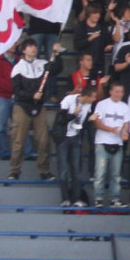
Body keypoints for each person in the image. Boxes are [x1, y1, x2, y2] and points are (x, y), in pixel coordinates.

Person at [9, 39, 63, 181]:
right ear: (24, 50)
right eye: (30, 46)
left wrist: (57, 54)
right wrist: (31, 95)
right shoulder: (17, 68)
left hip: (39, 107)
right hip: (22, 107)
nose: (34, 48)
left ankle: (44, 170)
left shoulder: (43, 64)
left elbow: (57, 69)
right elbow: (17, 91)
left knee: (44, 141)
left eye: (34, 46)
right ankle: (14, 171)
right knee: (18, 141)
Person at [54, 85, 96, 207]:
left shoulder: (88, 105)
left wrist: (90, 119)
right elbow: (60, 119)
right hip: (63, 138)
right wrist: (73, 114)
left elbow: (84, 121)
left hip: (75, 137)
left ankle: (76, 198)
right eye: (93, 97)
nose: (94, 99)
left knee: (76, 170)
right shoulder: (68, 100)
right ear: (87, 96)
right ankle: (65, 198)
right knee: (64, 170)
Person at [92, 81, 130, 207]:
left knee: (116, 174)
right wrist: (111, 129)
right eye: (117, 91)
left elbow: (126, 123)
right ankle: (98, 198)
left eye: (121, 92)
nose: (119, 94)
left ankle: (115, 198)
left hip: (117, 143)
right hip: (102, 142)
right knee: (100, 173)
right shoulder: (102, 104)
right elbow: (97, 122)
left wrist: (125, 132)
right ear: (110, 92)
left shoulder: (124, 106)